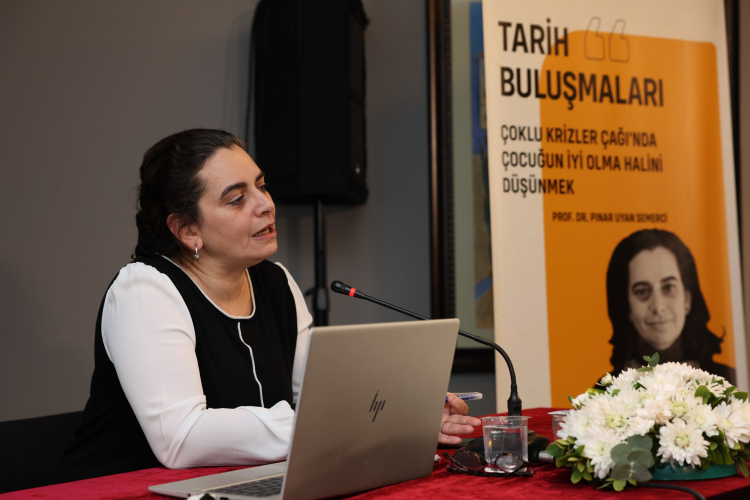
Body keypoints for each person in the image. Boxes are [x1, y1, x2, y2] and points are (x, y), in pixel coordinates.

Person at [58, 129, 479, 482]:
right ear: (187, 230)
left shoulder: (275, 281)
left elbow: (323, 394)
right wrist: (338, 425)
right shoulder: (145, 290)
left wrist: (408, 411)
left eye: (261, 185)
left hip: (235, 486)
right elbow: (182, 438)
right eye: (236, 199)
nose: (266, 204)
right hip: (119, 491)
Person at [606, 228, 735, 383]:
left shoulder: (730, 384)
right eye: (642, 291)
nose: (658, 306)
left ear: (686, 299)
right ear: (627, 307)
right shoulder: (605, 392)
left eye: (668, 288)